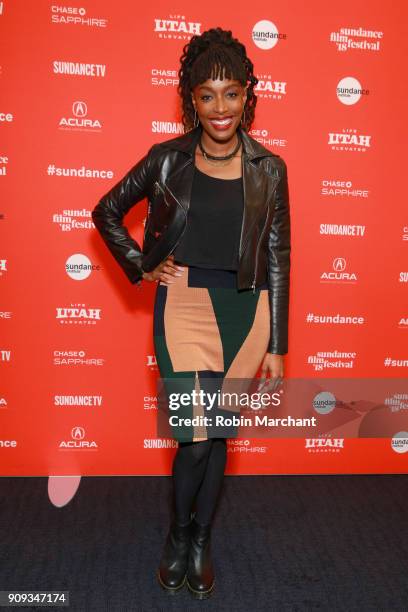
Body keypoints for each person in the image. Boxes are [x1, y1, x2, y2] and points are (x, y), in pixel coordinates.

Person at [91, 27, 291, 600]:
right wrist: (141, 263)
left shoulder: (270, 170)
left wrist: (277, 342)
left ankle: (201, 542)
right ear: (191, 99)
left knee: (219, 436)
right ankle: (178, 537)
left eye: (232, 93)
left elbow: (277, 255)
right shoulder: (166, 160)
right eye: (208, 94)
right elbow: (107, 211)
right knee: (194, 439)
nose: (221, 107)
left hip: (246, 315)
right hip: (182, 308)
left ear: (248, 95)